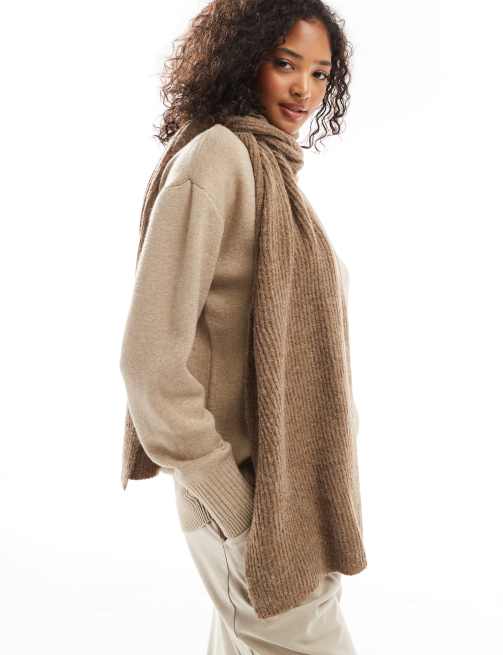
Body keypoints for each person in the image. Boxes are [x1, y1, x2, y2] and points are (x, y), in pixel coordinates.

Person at [119, 1, 367, 653]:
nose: (303, 89)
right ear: (242, 59)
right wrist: (232, 503)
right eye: (285, 64)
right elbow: (149, 362)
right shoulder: (216, 160)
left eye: (320, 73)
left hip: (288, 498)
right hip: (249, 499)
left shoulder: (267, 166)